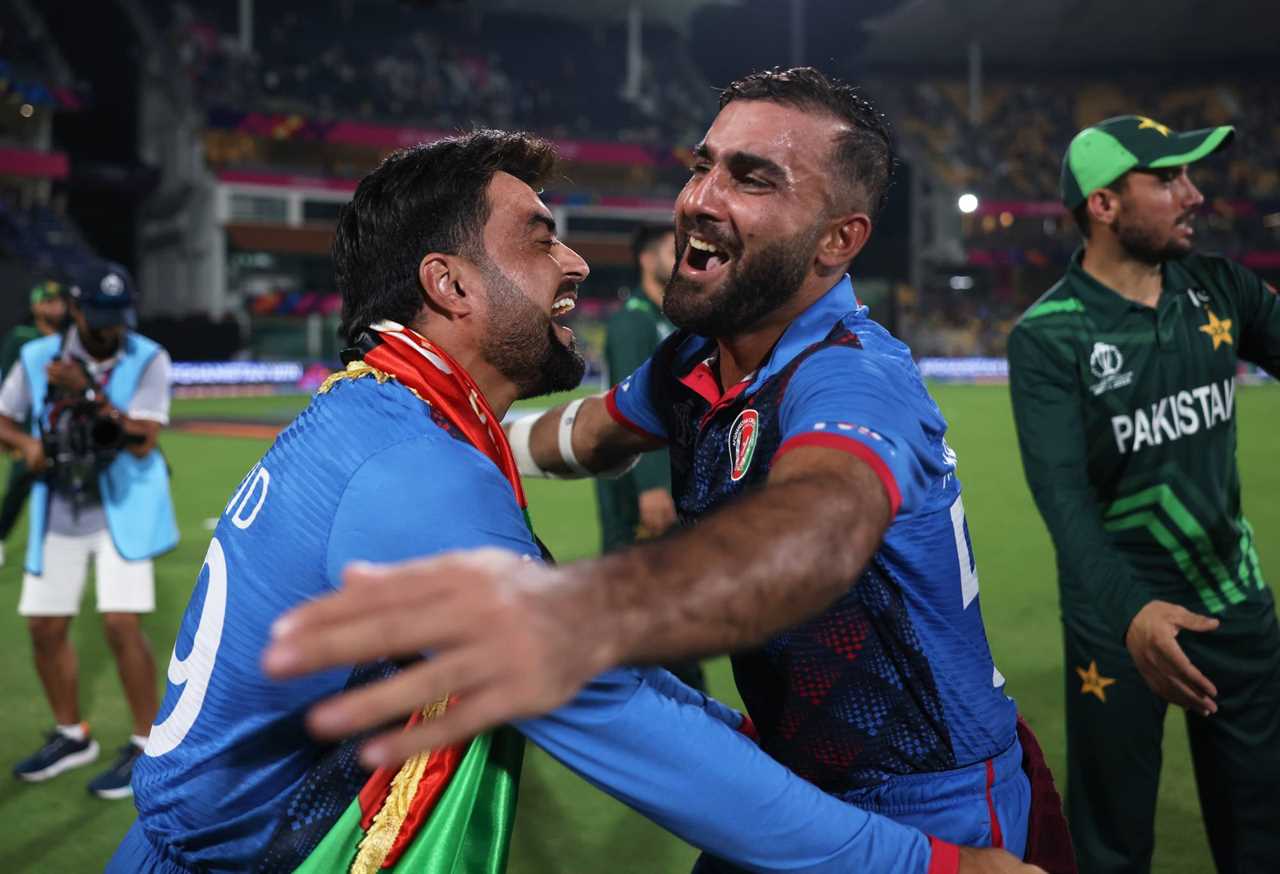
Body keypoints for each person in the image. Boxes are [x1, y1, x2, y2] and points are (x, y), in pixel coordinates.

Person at [115, 130, 1030, 874]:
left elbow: (591, 445)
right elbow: (616, 711)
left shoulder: (379, 416)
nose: (577, 263)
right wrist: (927, 868)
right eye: (539, 237)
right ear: (451, 283)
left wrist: (741, 732)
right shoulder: (417, 473)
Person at [1006, 115, 1280, 873]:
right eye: (1168, 180)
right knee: (1113, 842)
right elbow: (1063, 500)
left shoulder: (1222, 287)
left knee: (1262, 825)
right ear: (1104, 204)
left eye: (1189, 177)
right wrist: (1130, 613)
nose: (1194, 195)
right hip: (1116, 612)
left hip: (1233, 592)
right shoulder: (1048, 336)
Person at [0, 261, 178, 799]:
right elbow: (4, 416)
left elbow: (143, 438)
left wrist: (87, 391)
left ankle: (146, 744)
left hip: (122, 506)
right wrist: (26, 446)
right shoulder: (36, 357)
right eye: (99, 317)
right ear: (76, 310)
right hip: (59, 503)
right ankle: (71, 734)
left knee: (122, 623)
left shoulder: (149, 356)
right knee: (44, 627)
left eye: (118, 317)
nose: (111, 330)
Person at [594, 222, 705, 691]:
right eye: (668, 250)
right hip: (639, 489)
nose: (679, 256)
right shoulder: (631, 322)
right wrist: (654, 485)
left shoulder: (672, 320)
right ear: (645, 260)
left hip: (669, 483)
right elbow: (637, 413)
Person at [0, 279, 68, 566]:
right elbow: (8, 385)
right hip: (26, 422)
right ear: (35, 305)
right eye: (47, 301)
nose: (54, 306)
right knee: (20, 480)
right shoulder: (21, 337)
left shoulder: (70, 336)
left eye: (58, 301)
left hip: (61, 420)